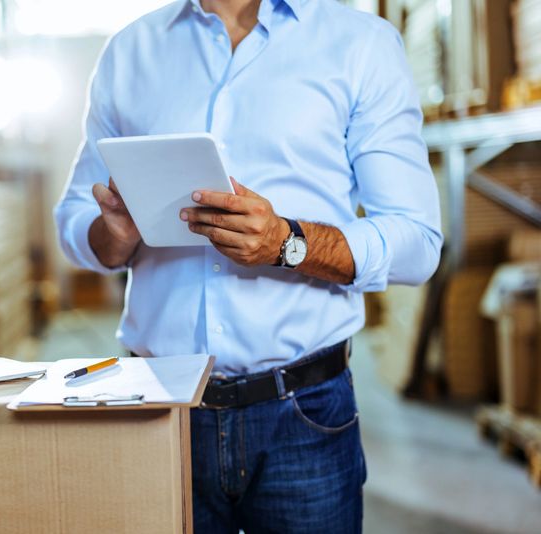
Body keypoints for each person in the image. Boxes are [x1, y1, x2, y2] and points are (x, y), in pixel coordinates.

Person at [54, 0, 443, 532]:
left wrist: (288, 241)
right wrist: (113, 235)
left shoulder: (360, 43)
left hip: (303, 417)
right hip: (157, 412)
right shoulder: (131, 50)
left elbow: (417, 240)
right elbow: (75, 218)